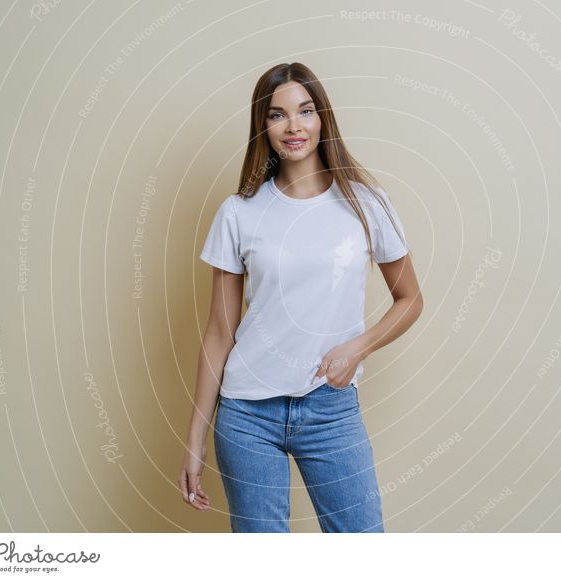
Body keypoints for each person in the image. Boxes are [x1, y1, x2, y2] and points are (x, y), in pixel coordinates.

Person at [178, 62, 423, 532]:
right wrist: (195, 438)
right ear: (263, 127)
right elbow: (218, 331)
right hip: (247, 414)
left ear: (322, 118)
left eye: (305, 111)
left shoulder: (367, 204)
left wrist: (358, 347)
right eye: (278, 115)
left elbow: (410, 298)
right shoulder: (239, 213)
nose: (293, 126)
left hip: (330, 409)